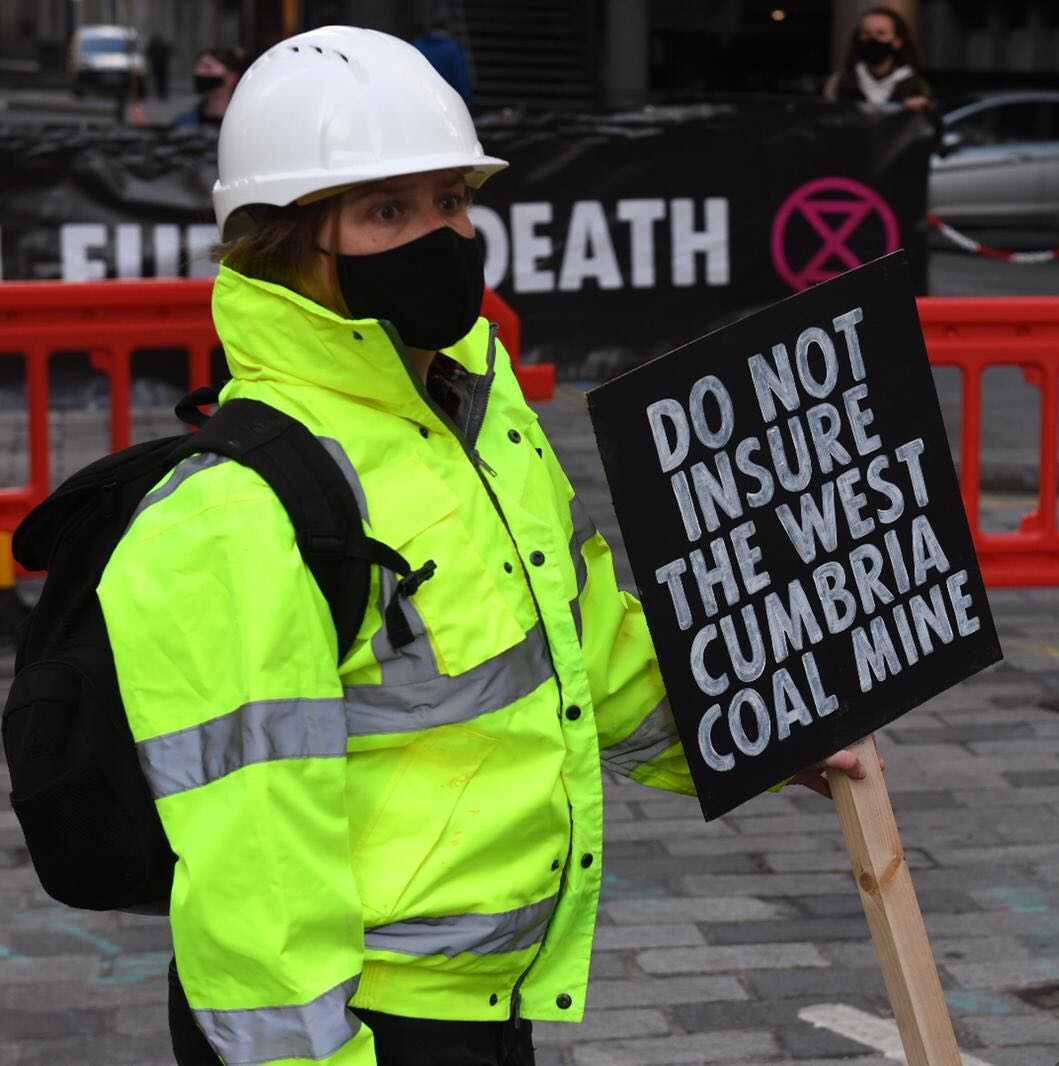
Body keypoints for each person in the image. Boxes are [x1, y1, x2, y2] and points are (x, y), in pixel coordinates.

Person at [96, 25, 871, 1066]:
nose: (443, 234)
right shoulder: (234, 510)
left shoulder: (478, 414)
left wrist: (767, 725)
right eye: (387, 209)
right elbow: (254, 875)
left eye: (453, 200)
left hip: (488, 1004)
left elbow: (584, 654)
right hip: (363, 1028)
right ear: (287, 243)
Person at [823, 6, 934, 112]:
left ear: (897, 42)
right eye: (866, 34)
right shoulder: (839, 82)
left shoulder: (915, 85)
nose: (872, 39)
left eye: (880, 33)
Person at [171, 45, 247, 128]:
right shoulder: (184, 122)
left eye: (207, 67)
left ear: (232, 77)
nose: (199, 72)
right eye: (198, 66)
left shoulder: (243, 125)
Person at [413, 15, 474, 109]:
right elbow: (461, 79)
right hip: (448, 103)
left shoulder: (418, 45)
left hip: (423, 101)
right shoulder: (452, 49)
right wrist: (467, 102)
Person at [147, 33, 171, 99]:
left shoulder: (155, 46)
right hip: (160, 65)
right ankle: (161, 93)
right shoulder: (159, 46)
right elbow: (148, 53)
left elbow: (148, 54)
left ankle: (162, 93)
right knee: (161, 80)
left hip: (159, 65)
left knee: (160, 80)